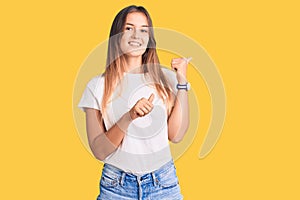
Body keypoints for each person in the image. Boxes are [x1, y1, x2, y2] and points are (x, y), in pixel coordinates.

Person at [78, 5, 190, 200]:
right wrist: (129, 117)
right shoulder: (97, 86)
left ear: (149, 38)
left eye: (143, 29)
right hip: (116, 187)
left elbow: (176, 135)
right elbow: (99, 150)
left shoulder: (166, 79)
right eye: (128, 28)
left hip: (163, 184)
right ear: (116, 36)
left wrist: (182, 83)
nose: (136, 35)